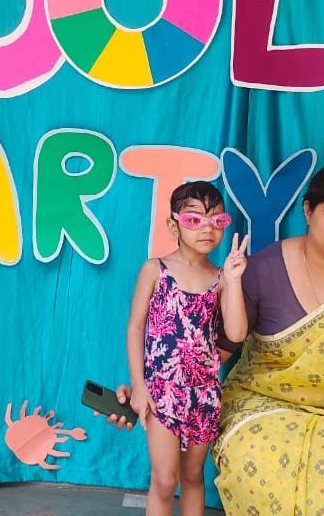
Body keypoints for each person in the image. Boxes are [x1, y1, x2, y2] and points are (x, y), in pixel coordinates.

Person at [109, 163, 324, 515]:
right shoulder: (261, 269)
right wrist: (143, 387)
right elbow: (209, 349)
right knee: (257, 476)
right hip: (265, 405)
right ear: (308, 210)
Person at [125, 181, 248, 516]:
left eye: (217, 220)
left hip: (204, 394)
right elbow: (135, 327)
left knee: (193, 476)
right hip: (162, 391)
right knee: (166, 481)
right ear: (173, 225)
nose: (207, 228)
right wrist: (139, 385)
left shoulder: (221, 279)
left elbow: (236, 333)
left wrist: (234, 280)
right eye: (195, 220)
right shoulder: (155, 270)